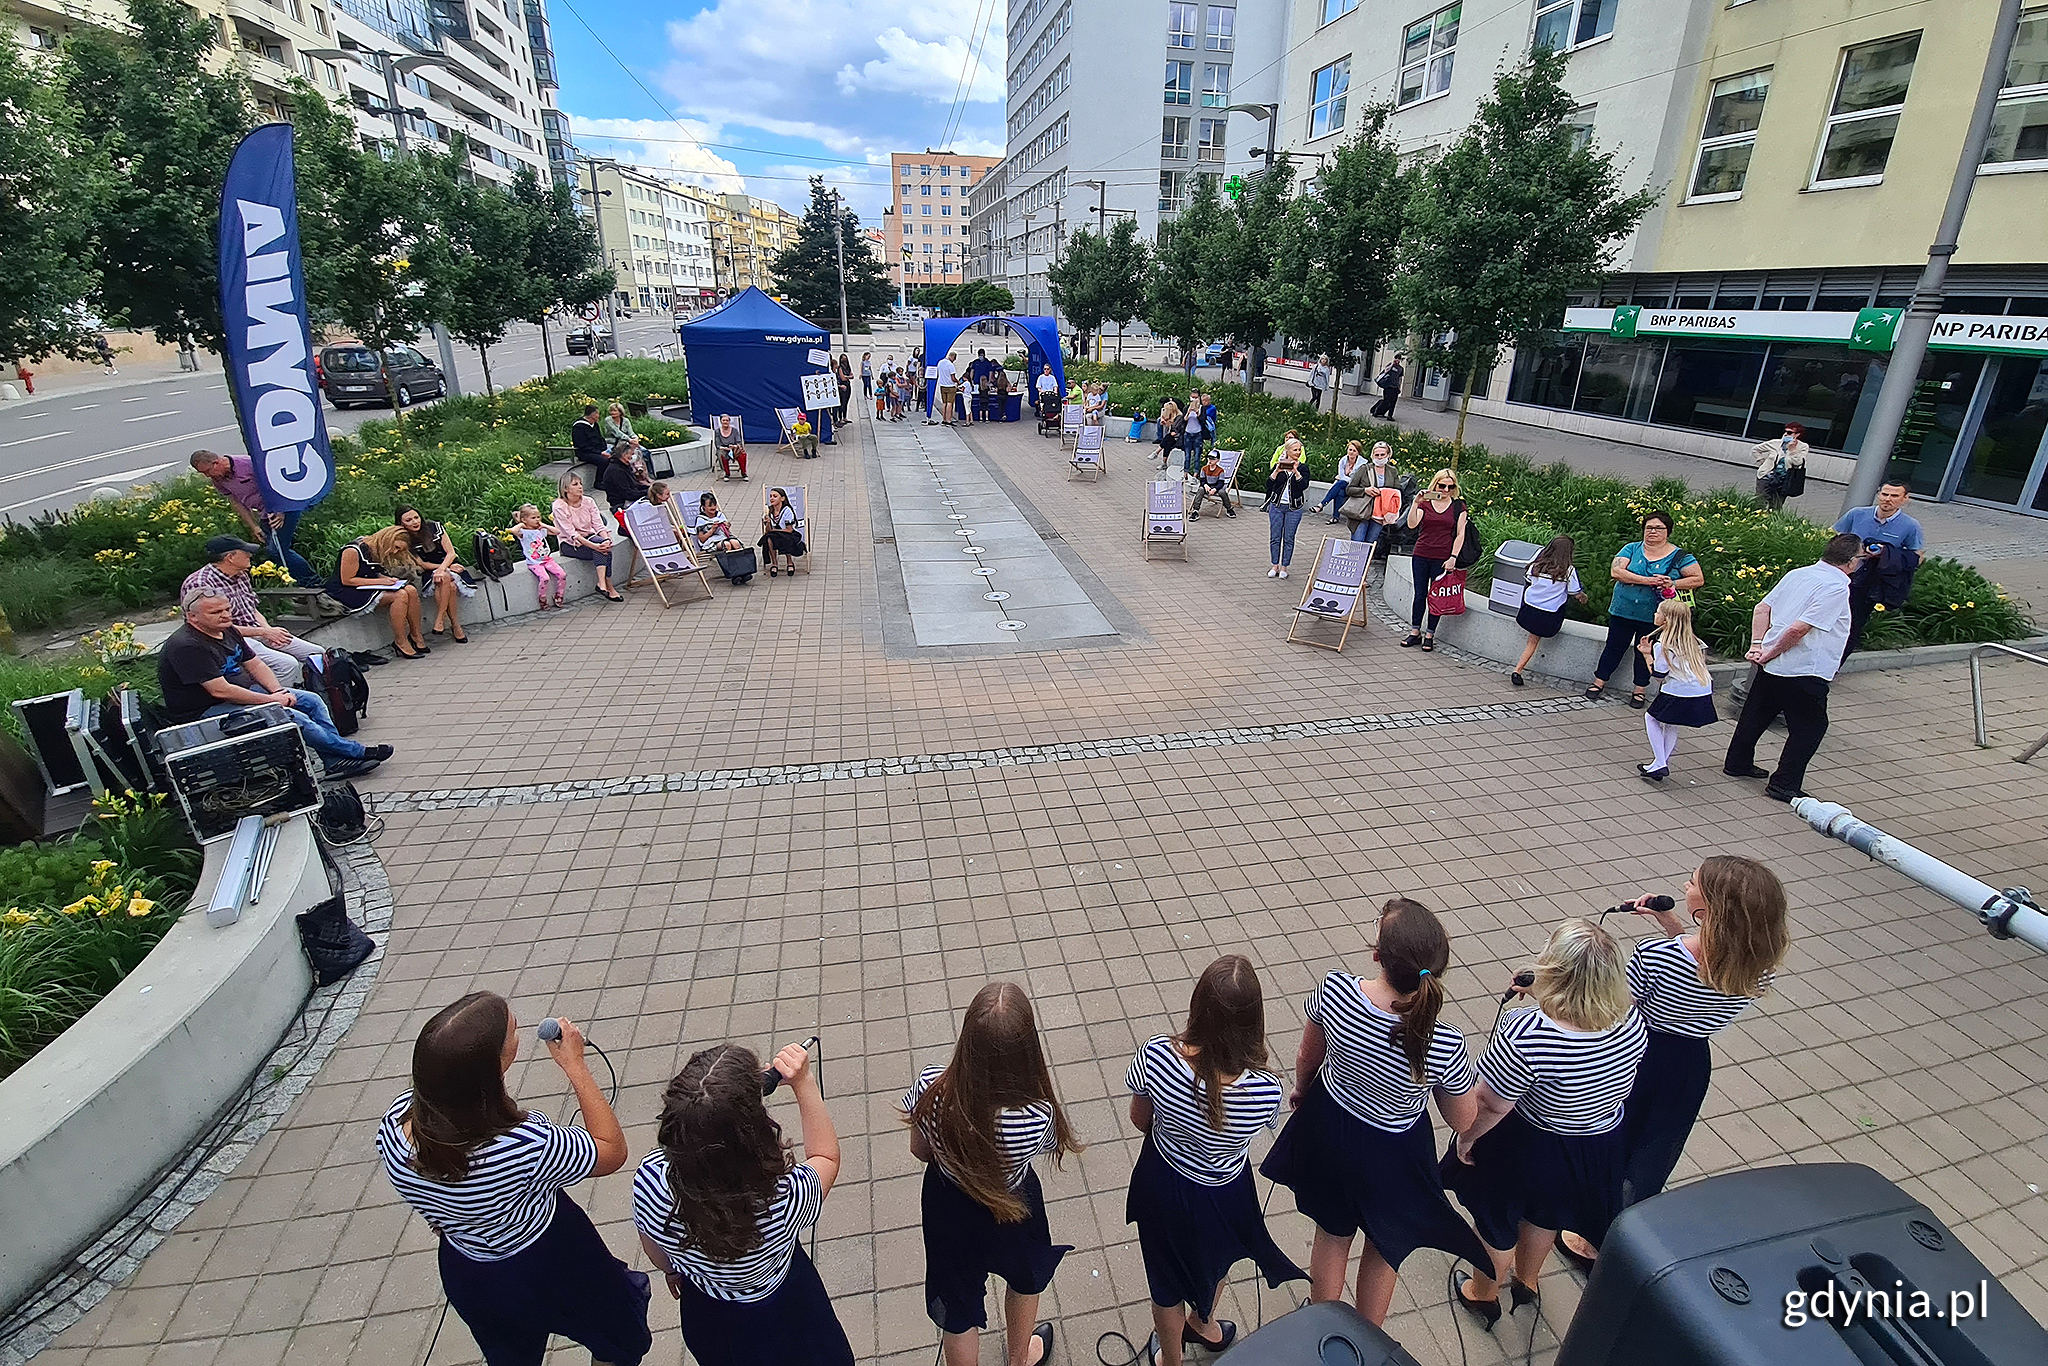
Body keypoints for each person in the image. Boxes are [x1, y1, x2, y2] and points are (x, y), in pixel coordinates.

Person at [377, 995, 649, 1366]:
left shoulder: (394, 1125)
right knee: (615, 1334)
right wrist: (575, 1066)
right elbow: (611, 1152)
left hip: (470, 1268)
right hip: (554, 1256)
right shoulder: (525, 1144)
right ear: (495, 1067)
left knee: (510, 1354)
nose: (518, 1029)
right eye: (514, 1031)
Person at [1263, 900, 1492, 1326]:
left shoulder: (1337, 992)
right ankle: (1367, 1339)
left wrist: (1300, 1089)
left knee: (1332, 1235)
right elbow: (1462, 1120)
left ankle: (1321, 1324)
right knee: (1386, 1248)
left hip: (1332, 1129)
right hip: (1394, 1153)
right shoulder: (1443, 1039)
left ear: (1377, 955)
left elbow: (1307, 1057)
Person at [1558, 859, 1791, 1268]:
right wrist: (1673, 925)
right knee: (1653, 1148)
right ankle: (1619, 1231)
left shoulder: (1657, 955)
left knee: (1614, 1138)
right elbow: (1709, 964)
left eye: (1693, 883)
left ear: (1711, 907)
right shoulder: (1759, 966)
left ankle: (1585, 1232)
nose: (1685, 884)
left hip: (1637, 1055)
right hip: (1688, 1062)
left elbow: (1620, 1005)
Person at [1443, 920, 1647, 1329]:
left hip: (1529, 1143)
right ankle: (1528, 1280)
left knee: (1497, 1222)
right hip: (1592, 1145)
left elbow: (1492, 1103)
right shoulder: (1631, 1024)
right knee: (1545, 1214)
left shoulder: (1527, 1030)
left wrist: (1467, 1138)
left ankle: (1483, 1294)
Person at [1125, 957, 1306, 1363]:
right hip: (1225, 1192)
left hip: (1163, 1182)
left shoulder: (1157, 1057)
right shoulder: (1265, 1090)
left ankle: (1170, 1359)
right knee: (1218, 1261)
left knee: (1165, 1282)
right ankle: (1203, 1323)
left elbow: (1140, 1120)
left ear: (1198, 1007)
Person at [632, 1041, 854, 1366]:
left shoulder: (649, 1180)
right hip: (787, 1308)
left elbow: (652, 1245)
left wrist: (672, 1271)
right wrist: (804, 1083)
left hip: (710, 1311)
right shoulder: (784, 1195)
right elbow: (826, 1157)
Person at [903, 983, 1080, 1366]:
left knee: (958, 1307)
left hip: (946, 1205)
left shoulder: (932, 1089)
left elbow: (919, 1150)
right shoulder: (1037, 1115)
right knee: (1024, 1278)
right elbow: (1046, 1147)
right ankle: (1020, 1358)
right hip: (1014, 1206)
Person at [159, 589, 388, 775]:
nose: (226, 615)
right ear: (192, 617)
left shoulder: (226, 629)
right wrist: (271, 700)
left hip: (243, 691)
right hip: (205, 710)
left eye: (227, 609)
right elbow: (220, 691)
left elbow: (255, 664)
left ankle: (334, 761)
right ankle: (354, 752)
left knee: (311, 700)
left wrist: (278, 690)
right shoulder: (187, 646)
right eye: (216, 612)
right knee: (292, 717)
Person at [1722, 533, 1861, 801]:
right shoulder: (1836, 587)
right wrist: (1770, 653)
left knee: (1756, 713)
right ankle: (1784, 784)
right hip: (1804, 668)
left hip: (1772, 666)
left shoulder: (1798, 574)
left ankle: (1736, 763)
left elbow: (1762, 608)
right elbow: (1800, 629)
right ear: (1852, 562)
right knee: (1811, 728)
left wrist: (1758, 646)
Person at [1585, 512, 1704, 707]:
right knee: (1614, 647)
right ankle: (1599, 681)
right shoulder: (1631, 548)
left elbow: (1697, 579)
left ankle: (1639, 689)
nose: (1653, 532)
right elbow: (1616, 571)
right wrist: (1648, 581)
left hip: (1656, 616)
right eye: (1649, 527)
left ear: (1668, 532)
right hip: (1623, 610)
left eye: (1658, 528)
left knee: (1646, 651)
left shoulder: (1680, 556)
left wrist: (1672, 582)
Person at [181, 536, 325, 686]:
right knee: (287, 665)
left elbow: (252, 609)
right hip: (229, 639)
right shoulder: (201, 584)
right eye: (246, 552)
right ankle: (274, 703)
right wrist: (262, 633)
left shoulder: (241, 574)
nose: (250, 556)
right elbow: (212, 627)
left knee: (317, 653)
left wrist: (268, 630)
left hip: (257, 632)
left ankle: (320, 693)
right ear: (230, 557)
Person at [188, 449, 321, 585]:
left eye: (207, 471)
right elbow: (236, 502)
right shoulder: (218, 479)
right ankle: (300, 583)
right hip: (264, 514)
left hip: (284, 508)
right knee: (275, 551)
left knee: (277, 550)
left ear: (216, 463)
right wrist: (254, 526)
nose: (207, 476)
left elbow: (276, 484)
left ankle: (313, 582)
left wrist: (280, 510)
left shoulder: (248, 464)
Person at [1835, 480, 1925, 657]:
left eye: (1894, 496)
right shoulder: (1857, 514)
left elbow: (1917, 557)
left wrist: (1886, 554)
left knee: (1853, 625)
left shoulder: (1910, 526)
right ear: (1878, 494)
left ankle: (1833, 668)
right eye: (1884, 494)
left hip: (1870, 583)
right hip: (1842, 575)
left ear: (1905, 499)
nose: (1887, 499)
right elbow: (1837, 539)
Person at [1636, 598, 1716, 781]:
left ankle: (1660, 763)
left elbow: (1658, 675)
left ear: (1665, 620)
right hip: (1701, 689)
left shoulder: (1663, 644)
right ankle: (1658, 764)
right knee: (1671, 724)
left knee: (1651, 718)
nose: (1655, 614)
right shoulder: (1695, 642)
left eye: (1658, 612)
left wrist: (1647, 655)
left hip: (1679, 690)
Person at [328, 525, 429, 659]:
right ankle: (400, 641)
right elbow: (348, 580)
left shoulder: (378, 549)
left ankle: (416, 636)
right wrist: (381, 582)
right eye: (396, 547)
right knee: (400, 595)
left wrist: (388, 579)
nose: (394, 551)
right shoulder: (353, 550)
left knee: (410, 590)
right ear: (387, 539)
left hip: (366, 584)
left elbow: (373, 573)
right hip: (346, 591)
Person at [1401, 470, 1470, 651]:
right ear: (1435, 484)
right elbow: (1412, 524)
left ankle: (1430, 634)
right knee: (1420, 594)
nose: (1446, 489)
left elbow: (1460, 534)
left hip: (1442, 557)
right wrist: (1416, 504)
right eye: (1442, 485)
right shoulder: (1426, 503)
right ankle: (1415, 632)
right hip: (1422, 553)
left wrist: (1453, 557)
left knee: (1437, 596)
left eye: (1450, 486)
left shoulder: (1458, 506)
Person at [1510, 536, 1589, 686]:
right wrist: (1583, 597)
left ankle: (1518, 671)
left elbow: (1529, 580)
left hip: (1528, 610)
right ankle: (1518, 669)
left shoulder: (1536, 566)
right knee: (1533, 642)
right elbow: (1574, 592)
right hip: (1548, 614)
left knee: (1531, 641)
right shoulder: (1568, 571)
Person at [552, 474, 624, 603]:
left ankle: (602, 585)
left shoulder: (588, 501)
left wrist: (606, 539)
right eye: (575, 484)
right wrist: (596, 546)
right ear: (565, 489)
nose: (580, 487)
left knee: (603, 546)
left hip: (589, 537)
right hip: (570, 543)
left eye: (580, 483)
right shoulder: (559, 506)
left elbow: (598, 524)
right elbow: (571, 533)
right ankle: (608, 586)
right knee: (601, 549)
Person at [1345, 443, 1408, 550]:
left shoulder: (1392, 471)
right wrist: (1365, 490)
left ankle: (1364, 565)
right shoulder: (1364, 469)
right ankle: (1355, 565)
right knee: (1357, 544)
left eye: (1382, 455)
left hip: (1380, 513)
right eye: (1376, 455)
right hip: (1362, 511)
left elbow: (1397, 490)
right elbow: (1349, 489)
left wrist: (1385, 493)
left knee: (1370, 545)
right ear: (1372, 455)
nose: (1379, 457)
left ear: (1388, 455)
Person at [1267, 439, 1310, 579]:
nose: (1297, 453)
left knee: (1289, 538)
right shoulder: (1280, 465)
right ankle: (1275, 565)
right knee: (1275, 536)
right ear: (1287, 451)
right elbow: (1269, 484)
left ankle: (1284, 566)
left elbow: (1303, 486)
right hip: (1277, 506)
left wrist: (1296, 472)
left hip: (1294, 508)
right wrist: (1277, 470)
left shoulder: (1303, 468)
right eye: (1295, 450)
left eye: (1299, 450)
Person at [513, 504, 568, 609]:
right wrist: (521, 524)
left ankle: (559, 595)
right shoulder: (524, 533)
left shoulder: (540, 530)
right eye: (533, 518)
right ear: (524, 519)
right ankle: (542, 599)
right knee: (544, 578)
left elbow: (557, 532)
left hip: (546, 559)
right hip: (534, 562)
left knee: (562, 574)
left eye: (538, 517)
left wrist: (544, 525)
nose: (537, 520)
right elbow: (514, 531)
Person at [1752, 423, 1809, 512]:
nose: (1786, 434)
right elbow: (1755, 449)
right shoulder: (1775, 443)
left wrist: (1792, 450)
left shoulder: (1803, 447)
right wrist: (1762, 462)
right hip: (1766, 476)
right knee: (1759, 502)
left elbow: (1798, 463)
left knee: (1776, 505)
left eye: (1790, 432)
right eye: (1785, 431)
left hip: (1784, 479)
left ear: (1798, 434)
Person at [696, 494, 752, 584]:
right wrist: (712, 530)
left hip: (724, 537)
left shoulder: (720, 515)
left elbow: (727, 533)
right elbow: (702, 539)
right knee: (727, 545)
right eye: (710, 505)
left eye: (714, 504)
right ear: (703, 507)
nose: (713, 507)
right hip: (711, 541)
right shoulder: (701, 519)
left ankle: (743, 571)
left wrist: (727, 527)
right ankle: (734, 574)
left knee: (736, 543)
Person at [758, 487, 804, 578]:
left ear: (782, 498)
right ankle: (774, 563)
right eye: (770, 496)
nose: (771, 498)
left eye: (775, 496)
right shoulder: (770, 511)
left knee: (784, 538)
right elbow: (768, 531)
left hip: (788, 534)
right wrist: (767, 523)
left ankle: (789, 561)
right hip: (774, 534)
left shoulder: (787, 511)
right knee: (768, 538)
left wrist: (773, 530)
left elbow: (789, 530)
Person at [1318, 441, 1366, 523]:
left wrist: (1346, 479)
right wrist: (1346, 479)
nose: (1351, 452)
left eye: (1354, 451)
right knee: (1340, 492)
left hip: (1355, 487)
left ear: (1358, 453)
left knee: (1340, 483)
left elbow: (1357, 480)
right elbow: (1342, 475)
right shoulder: (1343, 460)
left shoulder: (1363, 464)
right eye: (1350, 450)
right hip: (1344, 486)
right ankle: (1335, 517)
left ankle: (1322, 504)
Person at [1189, 448, 1236, 520]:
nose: (1210, 461)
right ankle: (1195, 510)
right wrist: (1205, 485)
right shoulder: (1204, 469)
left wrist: (1215, 489)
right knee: (1200, 490)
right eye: (1209, 458)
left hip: (1217, 487)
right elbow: (1202, 480)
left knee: (1222, 492)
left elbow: (1221, 483)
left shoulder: (1220, 470)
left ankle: (1229, 508)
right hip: (1207, 486)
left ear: (1217, 460)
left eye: (1213, 459)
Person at [571, 404, 608, 473]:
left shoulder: (595, 425)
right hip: (585, 453)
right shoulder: (579, 427)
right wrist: (599, 452)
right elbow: (582, 445)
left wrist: (605, 449)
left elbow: (600, 438)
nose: (598, 416)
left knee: (614, 457)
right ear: (593, 415)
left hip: (597, 450)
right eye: (597, 413)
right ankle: (599, 481)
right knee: (603, 461)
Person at [713, 414, 748, 481]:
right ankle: (727, 473)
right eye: (723, 420)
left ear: (729, 421)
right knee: (721, 454)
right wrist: (724, 448)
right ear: (721, 421)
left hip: (734, 449)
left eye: (727, 420)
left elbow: (739, 442)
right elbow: (717, 445)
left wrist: (734, 446)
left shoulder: (734, 430)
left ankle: (744, 473)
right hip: (723, 449)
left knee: (742, 455)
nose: (725, 422)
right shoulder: (717, 431)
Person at [1370, 354, 1405, 420]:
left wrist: (1399, 387)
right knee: (1386, 400)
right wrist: (1392, 364)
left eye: (1399, 359)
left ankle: (1390, 415)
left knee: (1393, 402)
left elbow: (1400, 378)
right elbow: (1386, 371)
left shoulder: (1401, 369)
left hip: (1395, 387)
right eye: (1396, 358)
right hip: (1388, 386)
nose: (1397, 360)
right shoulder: (1390, 365)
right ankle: (1376, 410)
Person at [1182, 389, 1207, 478]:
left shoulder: (1202, 408)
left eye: (1196, 397)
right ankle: (1186, 472)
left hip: (1198, 434)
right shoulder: (1186, 408)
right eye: (1192, 397)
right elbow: (1183, 420)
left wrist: (1197, 412)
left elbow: (1203, 420)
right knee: (1187, 455)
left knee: (1197, 455)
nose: (1194, 399)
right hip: (1188, 433)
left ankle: (1196, 473)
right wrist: (1188, 412)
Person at [1155, 400, 1184, 472]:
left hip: (1178, 437)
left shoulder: (1179, 417)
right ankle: (1163, 462)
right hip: (1171, 437)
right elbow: (1167, 429)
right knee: (1167, 442)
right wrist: (1164, 421)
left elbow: (1175, 431)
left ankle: (1157, 452)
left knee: (1168, 439)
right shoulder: (1168, 416)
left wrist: (1170, 422)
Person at [935, 351, 960, 426]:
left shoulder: (940, 362)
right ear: (953, 357)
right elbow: (953, 378)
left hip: (942, 385)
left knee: (944, 403)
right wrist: (957, 381)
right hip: (950, 386)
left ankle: (944, 419)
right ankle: (949, 420)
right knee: (950, 403)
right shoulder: (950, 365)